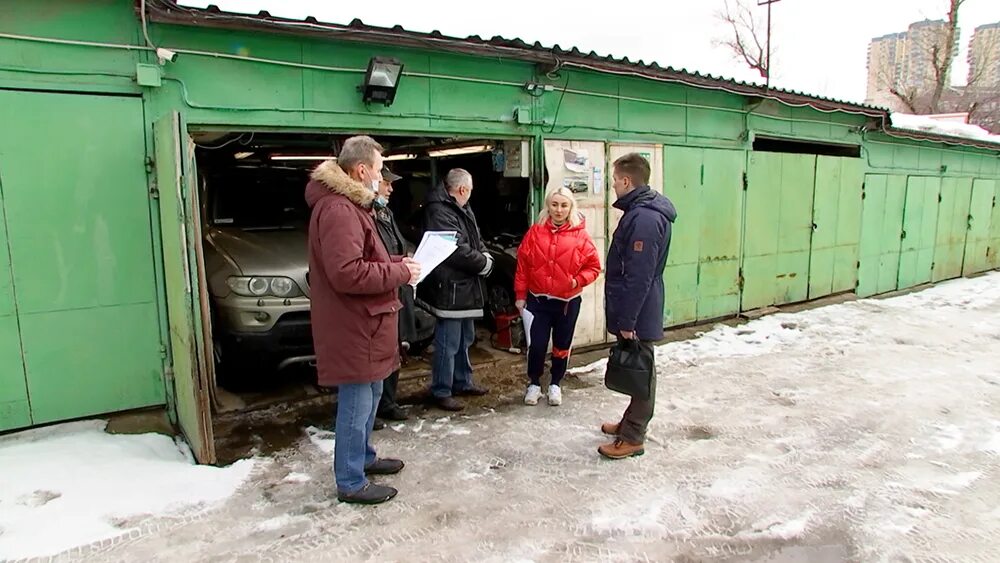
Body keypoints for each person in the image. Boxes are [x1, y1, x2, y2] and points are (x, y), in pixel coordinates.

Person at [305, 136, 421, 504]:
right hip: (354, 324)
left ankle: (364, 457)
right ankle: (351, 481)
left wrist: (396, 265)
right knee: (357, 401)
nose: (381, 173)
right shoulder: (340, 210)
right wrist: (399, 274)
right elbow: (348, 273)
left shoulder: (352, 206)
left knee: (370, 394)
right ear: (360, 170)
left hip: (365, 323)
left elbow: (366, 259)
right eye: (378, 166)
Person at [599, 152, 677, 460]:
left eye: (615, 180)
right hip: (637, 304)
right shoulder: (640, 210)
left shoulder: (644, 218)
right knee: (637, 364)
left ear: (627, 181)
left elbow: (639, 275)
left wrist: (628, 320)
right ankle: (630, 421)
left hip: (639, 306)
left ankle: (633, 436)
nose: (613, 185)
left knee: (642, 369)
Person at [513, 187, 602, 406]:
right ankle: (534, 383)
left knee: (562, 345)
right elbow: (522, 266)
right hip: (538, 301)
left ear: (571, 207)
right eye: (554, 204)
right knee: (537, 345)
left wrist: (576, 281)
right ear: (548, 206)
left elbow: (594, 267)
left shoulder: (581, 236)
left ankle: (555, 383)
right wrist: (520, 295)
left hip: (567, 303)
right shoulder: (535, 232)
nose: (559, 210)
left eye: (564, 205)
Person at [419, 168, 492, 412]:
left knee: (465, 339)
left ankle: (463, 381)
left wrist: (485, 254)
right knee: (448, 343)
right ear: (462, 189)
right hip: (450, 288)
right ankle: (441, 390)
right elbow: (455, 249)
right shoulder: (440, 210)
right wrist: (483, 263)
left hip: (466, 287)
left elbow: (474, 237)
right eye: (469, 191)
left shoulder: (460, 207)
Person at [373, 166, 416, 424]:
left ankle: (388, 402)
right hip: (381, 290)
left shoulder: (386, 213)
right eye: (386, 183)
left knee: (395, 348)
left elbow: (396, 246)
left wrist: (406, 260)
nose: (391, 189)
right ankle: (374, 408)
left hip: (397, 289)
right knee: (378, 352)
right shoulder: (367, 215)